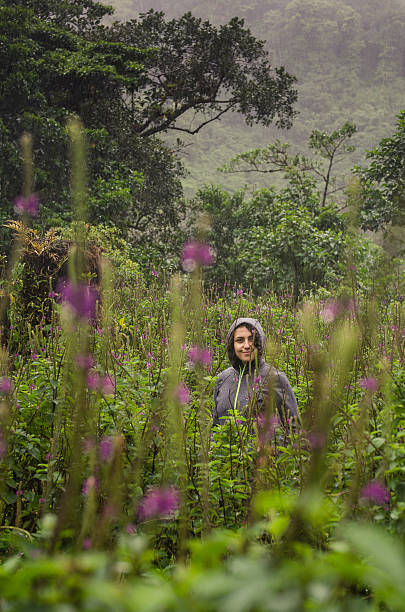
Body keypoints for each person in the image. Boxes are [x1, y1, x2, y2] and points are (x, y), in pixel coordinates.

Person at [213, 317, 299, 432]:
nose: (247, 345)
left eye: (251, 339)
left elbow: (295, 430)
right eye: (240, 340)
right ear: (232, 345)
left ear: (259, 342)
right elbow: (215, 426)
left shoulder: (276, 378)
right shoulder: (222, 379)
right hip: (225, 449)